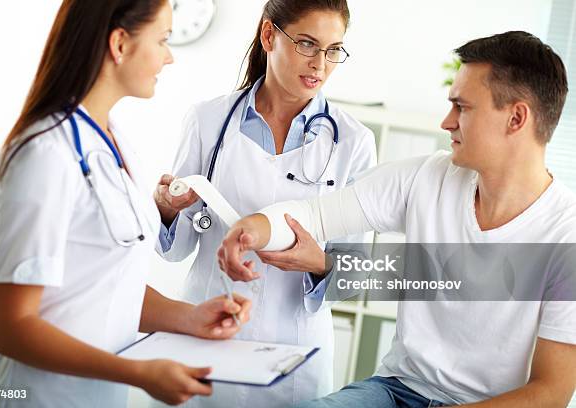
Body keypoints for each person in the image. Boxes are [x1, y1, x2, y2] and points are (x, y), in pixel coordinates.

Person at [217, 31, 576, 407]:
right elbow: (312, 215)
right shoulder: (427, 177)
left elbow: (550, 393)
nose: (446, 122)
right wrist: (253, 230)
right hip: (396, 390)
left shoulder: (565, 236)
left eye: (462, 107)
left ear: (516, 118)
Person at [0, 1, 251, 407]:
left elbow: (105, 286)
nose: (169, 57)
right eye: (162, 39)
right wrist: (137, 372)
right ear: (120, 43)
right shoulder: (45, 153)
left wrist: (189, 318)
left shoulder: (114, 142)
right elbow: (13, 326)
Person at [152, 0, 376, 406]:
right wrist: (168, 209)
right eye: (307, 44)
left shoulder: (354, 143)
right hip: (208, 328)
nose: (320, 64)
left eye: (333, 50)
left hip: (293, 349)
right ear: (269, 35)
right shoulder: (207, 120)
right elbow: (176, 248)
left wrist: (318, 262)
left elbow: (356, 272)